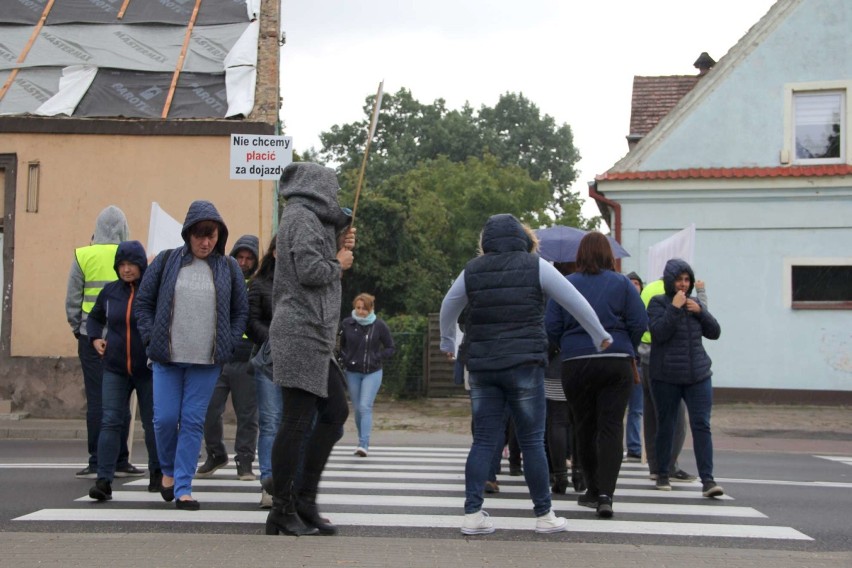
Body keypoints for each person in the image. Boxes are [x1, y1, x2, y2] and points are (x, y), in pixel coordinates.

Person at [440, 214, 612, 536]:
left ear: (486, 241)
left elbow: (448, 305)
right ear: (522, 237)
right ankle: (544, 515)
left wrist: (447, 339)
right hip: (525, 365)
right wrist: (598, 333)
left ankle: (472, 514)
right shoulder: (536, 266)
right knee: (533, 440)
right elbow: (574, 300)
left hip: (484, 366)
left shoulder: (472, 270)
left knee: (484, 441)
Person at [135, 200, 248, 511]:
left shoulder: (228, 267)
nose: (205, 242)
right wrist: (149, 335)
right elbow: (143, 303)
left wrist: (230, 340)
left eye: (210, 235)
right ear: (187, 235)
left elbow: (240, 311)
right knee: (164, 419)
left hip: (207, 361)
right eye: (199, 235)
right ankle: (168, 471)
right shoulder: (167, 261)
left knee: (192, 421)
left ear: (219, 236)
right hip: (166, 357)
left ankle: (183, 487)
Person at [266, 162, 356, 537]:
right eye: (332, 191)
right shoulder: (300, 218)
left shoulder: (312, 220)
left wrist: (336, 245)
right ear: (319, 189)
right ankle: (283, 509)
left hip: (315, 334)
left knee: (334, 411)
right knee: (297, 422)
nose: (335, 198)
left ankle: (304, 500)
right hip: (300, 331)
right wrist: (338, 262)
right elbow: (309, 272)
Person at [545, 232, 647, 519]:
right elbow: (640, 321)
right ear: (607, 255)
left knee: (584, 427)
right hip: (616, 361)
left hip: (576, 362)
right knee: (611, 428)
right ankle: (606, 495)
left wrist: (567, 345)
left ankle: (590, 490)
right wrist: (626, 344)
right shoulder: (623, 284)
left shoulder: (567, 284)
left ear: (580, 255)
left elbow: (551, 326)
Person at [65, 205, 143, 480]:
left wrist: (79, 329)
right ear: (124, 228)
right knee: (122, 402)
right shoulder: (128, 255)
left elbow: (73, 299)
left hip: (92, 336)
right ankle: (121, 459)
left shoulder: (83, 255)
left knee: (98, 401)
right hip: (125, 337)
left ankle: (97, 460)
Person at [86, 240, 160, 500]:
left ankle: (157, 474)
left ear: (141, 265)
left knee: (153, 424)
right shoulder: (109, 292)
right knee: (110, 422)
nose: (127, 270)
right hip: (115, 368)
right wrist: (95, 338)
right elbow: (94, 317)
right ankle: (103, 481)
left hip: (148, 369)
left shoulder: (152, 291)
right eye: (122, 265)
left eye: (132, 265)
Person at [648, 258, 723, 498]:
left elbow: (715, 332)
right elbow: (658, 334)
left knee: (701, 424)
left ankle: (708, 481)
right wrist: (674, 308)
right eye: (679, 280)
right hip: (666, 375)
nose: (683, 284)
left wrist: (701, 312)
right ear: (670, 281)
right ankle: (662, 473)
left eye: (687, 280)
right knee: (666, 424)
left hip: (698, 374)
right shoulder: (658, 303)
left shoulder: (695, 304)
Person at [197, 235, 260, 481]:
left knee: (247, 415)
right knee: (209, 410)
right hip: (219, 355)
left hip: (247, 357)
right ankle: (216, 454)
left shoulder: (258, 283)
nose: (243, 262)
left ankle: (244, 461)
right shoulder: (221, 279)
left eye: (248, 258)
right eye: (239, 257)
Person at [639, 277, 697, 486]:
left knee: (651, 416)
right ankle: (669, 466)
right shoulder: (669, 296)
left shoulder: (647, 290)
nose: (684, 283)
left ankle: (655, 467)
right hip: (663, 358)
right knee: (674, 418)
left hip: (643, 356)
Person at [245, 236, 280, 508]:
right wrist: (272, 339)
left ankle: (288, 483)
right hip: (268, 361)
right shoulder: (259, 283)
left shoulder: (302, 283)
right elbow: (251, 320)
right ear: (274, 252)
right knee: (269, 422)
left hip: (297, 361)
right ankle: (268, 483)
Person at [339, 293, 396, 457]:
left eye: (364, 308)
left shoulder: (379, 325)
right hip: (352, 372)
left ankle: (364, 444)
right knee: (357, 409)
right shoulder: (347, 324)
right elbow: (340, 345)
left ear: (371, 308)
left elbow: (390, 347)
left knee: (365, 406)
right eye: (358, 308)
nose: (360, 311)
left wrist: (376, 357)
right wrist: (345, 358)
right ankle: (360, 439)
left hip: (373, 372)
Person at [623, 272, 645, 462]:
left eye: (637, 283)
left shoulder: (644, 306)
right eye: (631, 283)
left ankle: (634, 446)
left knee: (636, 408)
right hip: (624, 361)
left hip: (639, 362)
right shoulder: (621, 306)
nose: (634, 286)